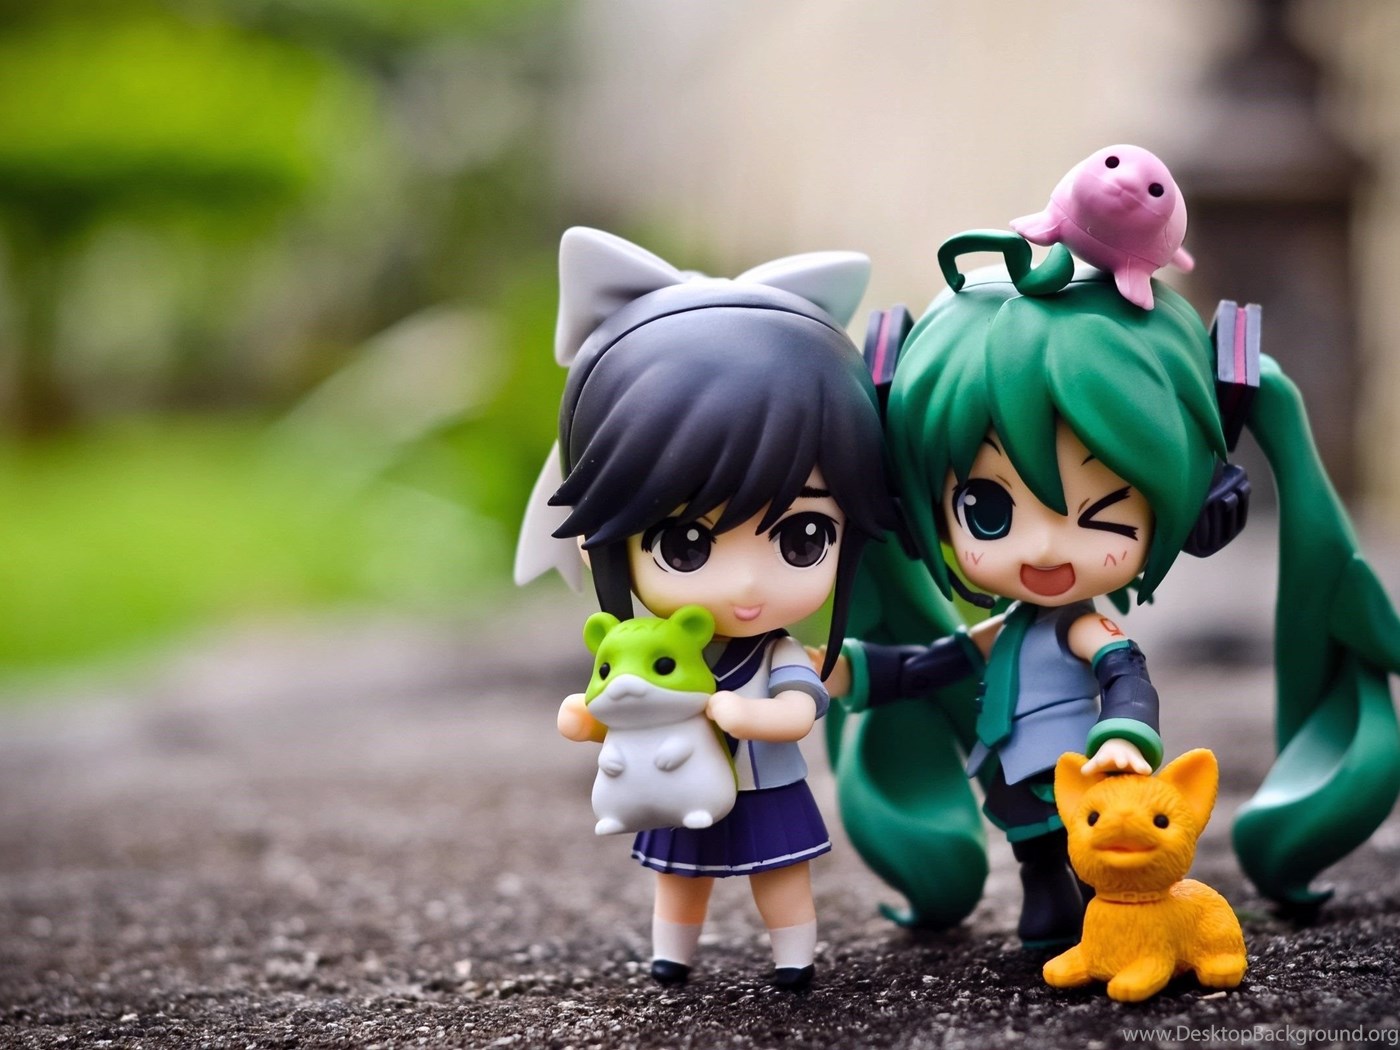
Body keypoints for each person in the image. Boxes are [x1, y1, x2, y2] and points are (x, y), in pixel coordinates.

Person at [823, 230, 1400, 945]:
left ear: (1203, 508)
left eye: (1101, 512)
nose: (1042, 548)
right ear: (914, 516)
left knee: (1094, 864)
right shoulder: (1006, 631)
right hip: (1021, 781)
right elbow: (936, 664)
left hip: (1088, 782)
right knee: (1041, 867)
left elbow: (1124, 675)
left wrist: (1124, 735)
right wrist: (855, 670)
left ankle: (1112, 918)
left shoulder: (1083, 627)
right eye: (987, 510)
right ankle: (1054, 912)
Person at [516, 227, 895, 989]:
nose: (747, 585)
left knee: (779, 873)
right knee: (678, 876)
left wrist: (744, 714)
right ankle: (671, 952)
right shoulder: (654, 644)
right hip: (674, 789)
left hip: (766, 785)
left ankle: (793, 955)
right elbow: (608, 710)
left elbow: (799, 711)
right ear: (600, 539)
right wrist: (586, 717)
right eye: (686, 543)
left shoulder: (777, 653)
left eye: (803, 536)